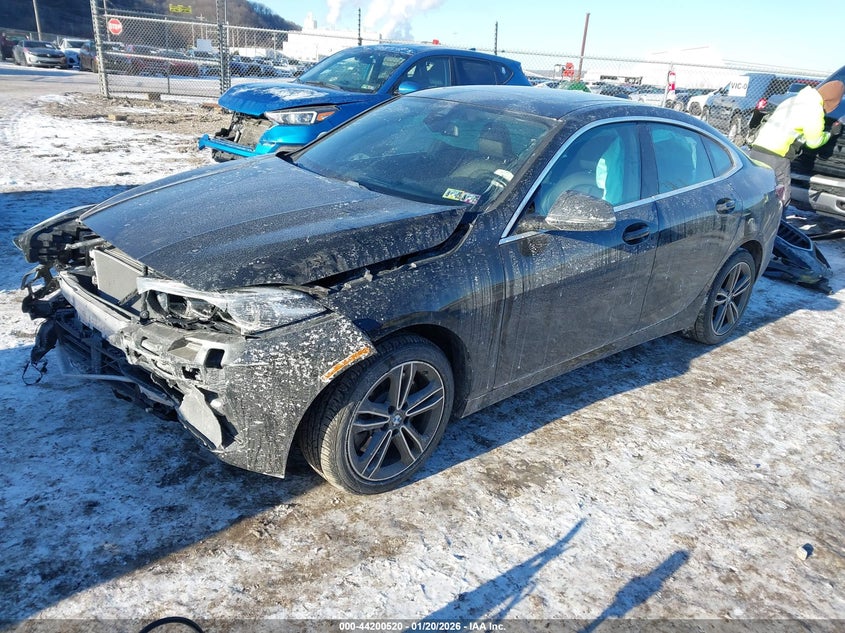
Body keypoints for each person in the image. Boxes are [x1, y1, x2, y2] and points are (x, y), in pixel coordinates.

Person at [748, 80, 844, 207]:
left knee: (758, 191)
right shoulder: (814, 108)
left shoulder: (793, 100)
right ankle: (775, 224)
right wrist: (831, 133)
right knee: (780, 197)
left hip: (757, 148)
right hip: (777, 155)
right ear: (831, 101)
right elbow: (814, 142)